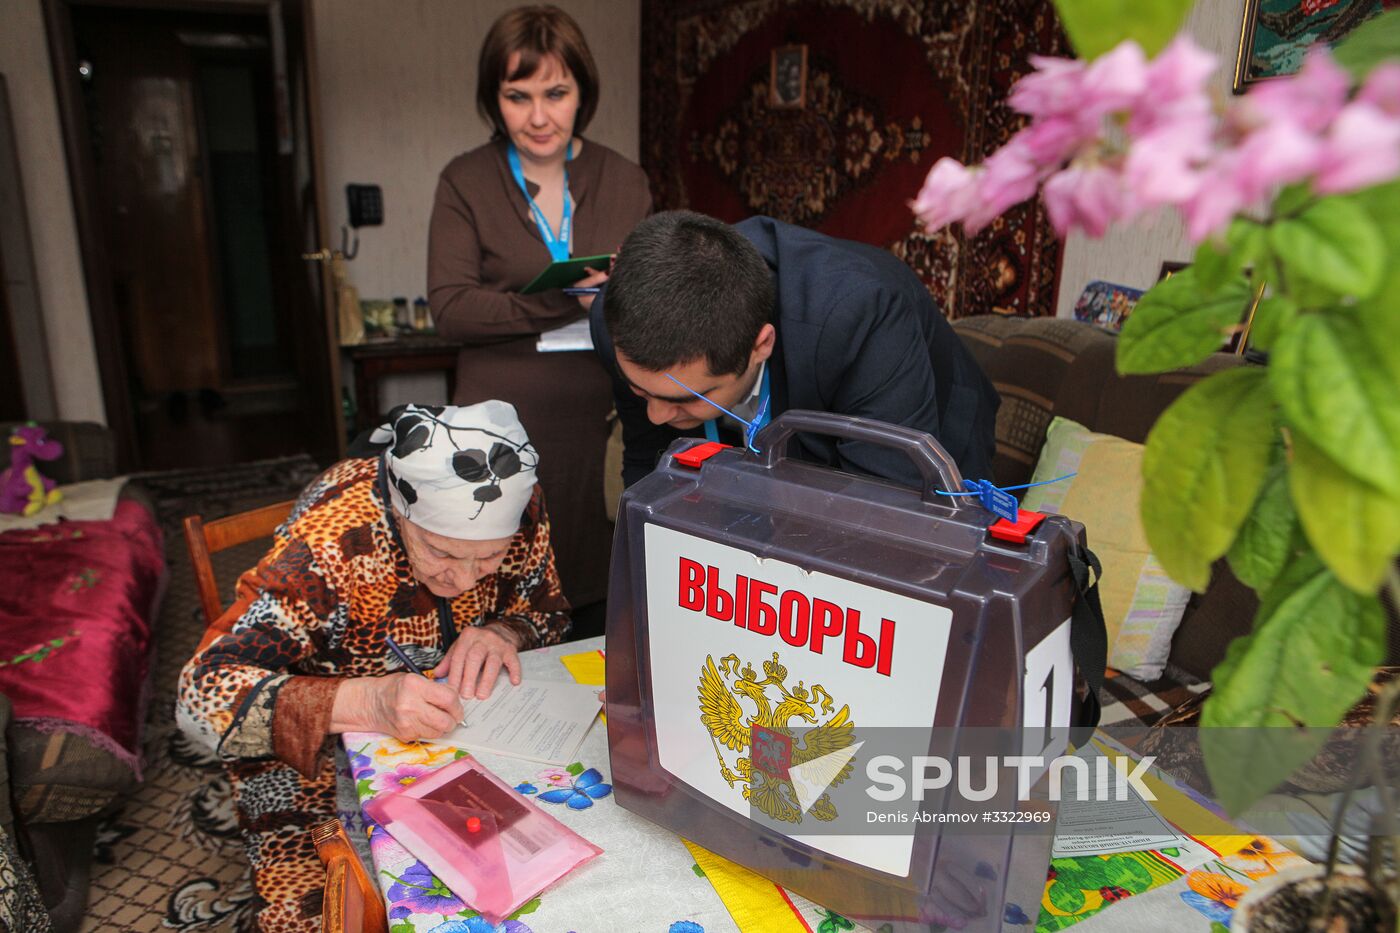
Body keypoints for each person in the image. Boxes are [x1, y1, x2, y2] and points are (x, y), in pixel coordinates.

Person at [176, 401, 569, 930]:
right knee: (335, 915)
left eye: (489, 558)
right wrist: (365, 700)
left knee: (545, 877)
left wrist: (505, 631)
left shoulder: (520, 501)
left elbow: (549, 612)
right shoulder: (329, 542)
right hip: (315, 763)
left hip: (466, 738)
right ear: (401, 515)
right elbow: (200, 698)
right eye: (442, 553)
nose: (463, 581)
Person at [428, 5, 651, 632]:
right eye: (517, 96)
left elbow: (648, 297)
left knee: (602, 596)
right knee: (495, 602)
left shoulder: (625, 180)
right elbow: (451, 308)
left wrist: (617, 296)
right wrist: (563, 296)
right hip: (500, 425)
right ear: (493, 99)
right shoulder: (466, 180)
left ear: (583, 93)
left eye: (556, 94)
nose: (538, 117)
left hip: (603, 421)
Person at [590, 211, 1001, 490]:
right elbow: (649, 464)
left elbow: (882, 510)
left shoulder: (860, 320)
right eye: (642, 391)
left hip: (922, 429)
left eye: (684, 398)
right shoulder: (618, 324)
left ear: (761, 345)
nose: (656, 414)